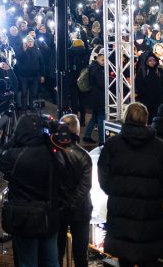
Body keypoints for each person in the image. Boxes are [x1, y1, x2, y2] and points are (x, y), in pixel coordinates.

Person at [97, 102, 163, 267]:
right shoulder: (159, 147)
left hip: (121, 213)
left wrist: (116, 190)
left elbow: (103, 177)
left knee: (124, 260)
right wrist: (157, 196)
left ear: (126, 118)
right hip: (149, 216)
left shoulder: (112, 145)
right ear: (146, 120)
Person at [0, 113, 62, 267]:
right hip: (49, 216)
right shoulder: (54, 155)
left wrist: (13, 140)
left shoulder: (15, 156)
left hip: (23, 219)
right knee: (51, 261)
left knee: (27, 261)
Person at [56, 114, 93, 267]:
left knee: (57, 252)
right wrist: (71, 205)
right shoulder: (84, 155)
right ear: (76, 130)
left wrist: (64, 206)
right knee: (80, 255)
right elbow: (85, 186)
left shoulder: (53, 153)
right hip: (80, 210)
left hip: (58, 209)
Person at [82, 49, 105, 146]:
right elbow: (101, 83)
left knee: (94, 117)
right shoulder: (97, 69)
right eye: (103, 60)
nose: (104, 62)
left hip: (93, 96)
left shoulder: (92, 66)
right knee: (101, 117)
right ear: (98, 58)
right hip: (98, 97)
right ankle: (102, 140)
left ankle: (87, 135)